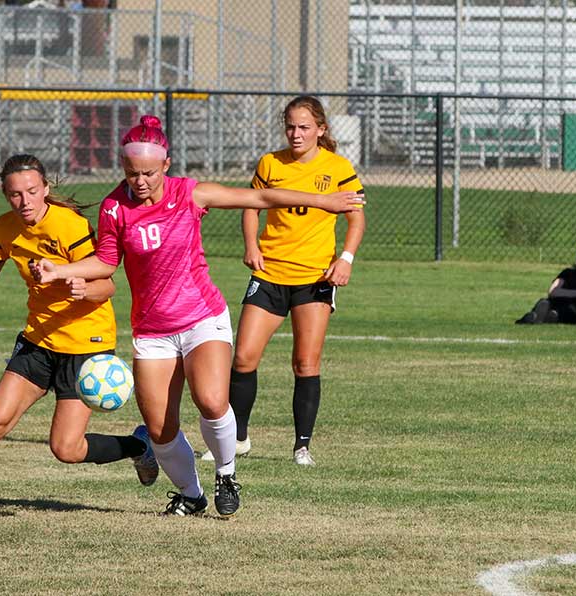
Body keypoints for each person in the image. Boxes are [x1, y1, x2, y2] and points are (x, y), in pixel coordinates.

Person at [33, 115, 365, 517]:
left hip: (200, 317)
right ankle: (191, 494)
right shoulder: (114, 208)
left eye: (148, 173)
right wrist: (60, 270)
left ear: (166, 165)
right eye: (132, 173)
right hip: (152, 330)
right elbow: (105, 262)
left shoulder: (189, 195)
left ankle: (226, 473)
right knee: (159, 430)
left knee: (211, 400)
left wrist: (324, 202)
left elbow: (259, 199)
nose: (139, 181)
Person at [0, 154, 158, 516]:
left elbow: (108, 286)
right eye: (15, 195)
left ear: (45, 189)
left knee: (66, 449)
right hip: (38, 341)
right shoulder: (6, 228)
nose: (24, 201)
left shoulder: (70, 226)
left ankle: (139, 445)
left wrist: (83, 289)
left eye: (32, 191)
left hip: (85, 345)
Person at [199, 95, 366, 468]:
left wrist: (346, 259)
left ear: (321, 130)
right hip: (270, 274)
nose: (296, 133)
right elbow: (252, 205)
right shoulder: (270, 163)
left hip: (315, 277)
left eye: (304, 127)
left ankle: (301, 447)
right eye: (290, 126)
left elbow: (356, 218)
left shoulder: (337, 167)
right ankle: (237, 439)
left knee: (305, 363)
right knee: (242, 357)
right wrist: (251, 245)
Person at [515, 240, 576, 326]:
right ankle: (532, 318)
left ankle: (547, 317)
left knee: (564, 311)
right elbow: (552, 291)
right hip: (557, 302)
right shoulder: (568, 273)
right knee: (544, 303)